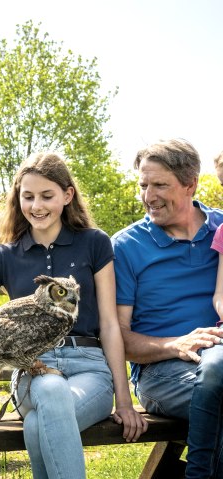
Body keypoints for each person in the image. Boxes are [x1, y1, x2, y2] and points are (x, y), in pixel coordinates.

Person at [0, 152, 147, 479]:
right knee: (50, 393)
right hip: (31, 371)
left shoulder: (95, 243)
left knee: (40, 422)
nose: (37, 205)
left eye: (47, 196)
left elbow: (109, 325)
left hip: (90, 370)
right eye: (28, 196)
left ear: (67, 196)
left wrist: (124, 401)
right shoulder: (5, 256)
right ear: (18, 199)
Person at [111, 139, 223, 479]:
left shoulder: (221, 228)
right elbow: (118, 338)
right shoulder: (125, 247)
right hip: (161, 372)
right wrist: (175, 344)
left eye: (160, 185)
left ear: (191, 185)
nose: (148, 196)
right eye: (143, 185)